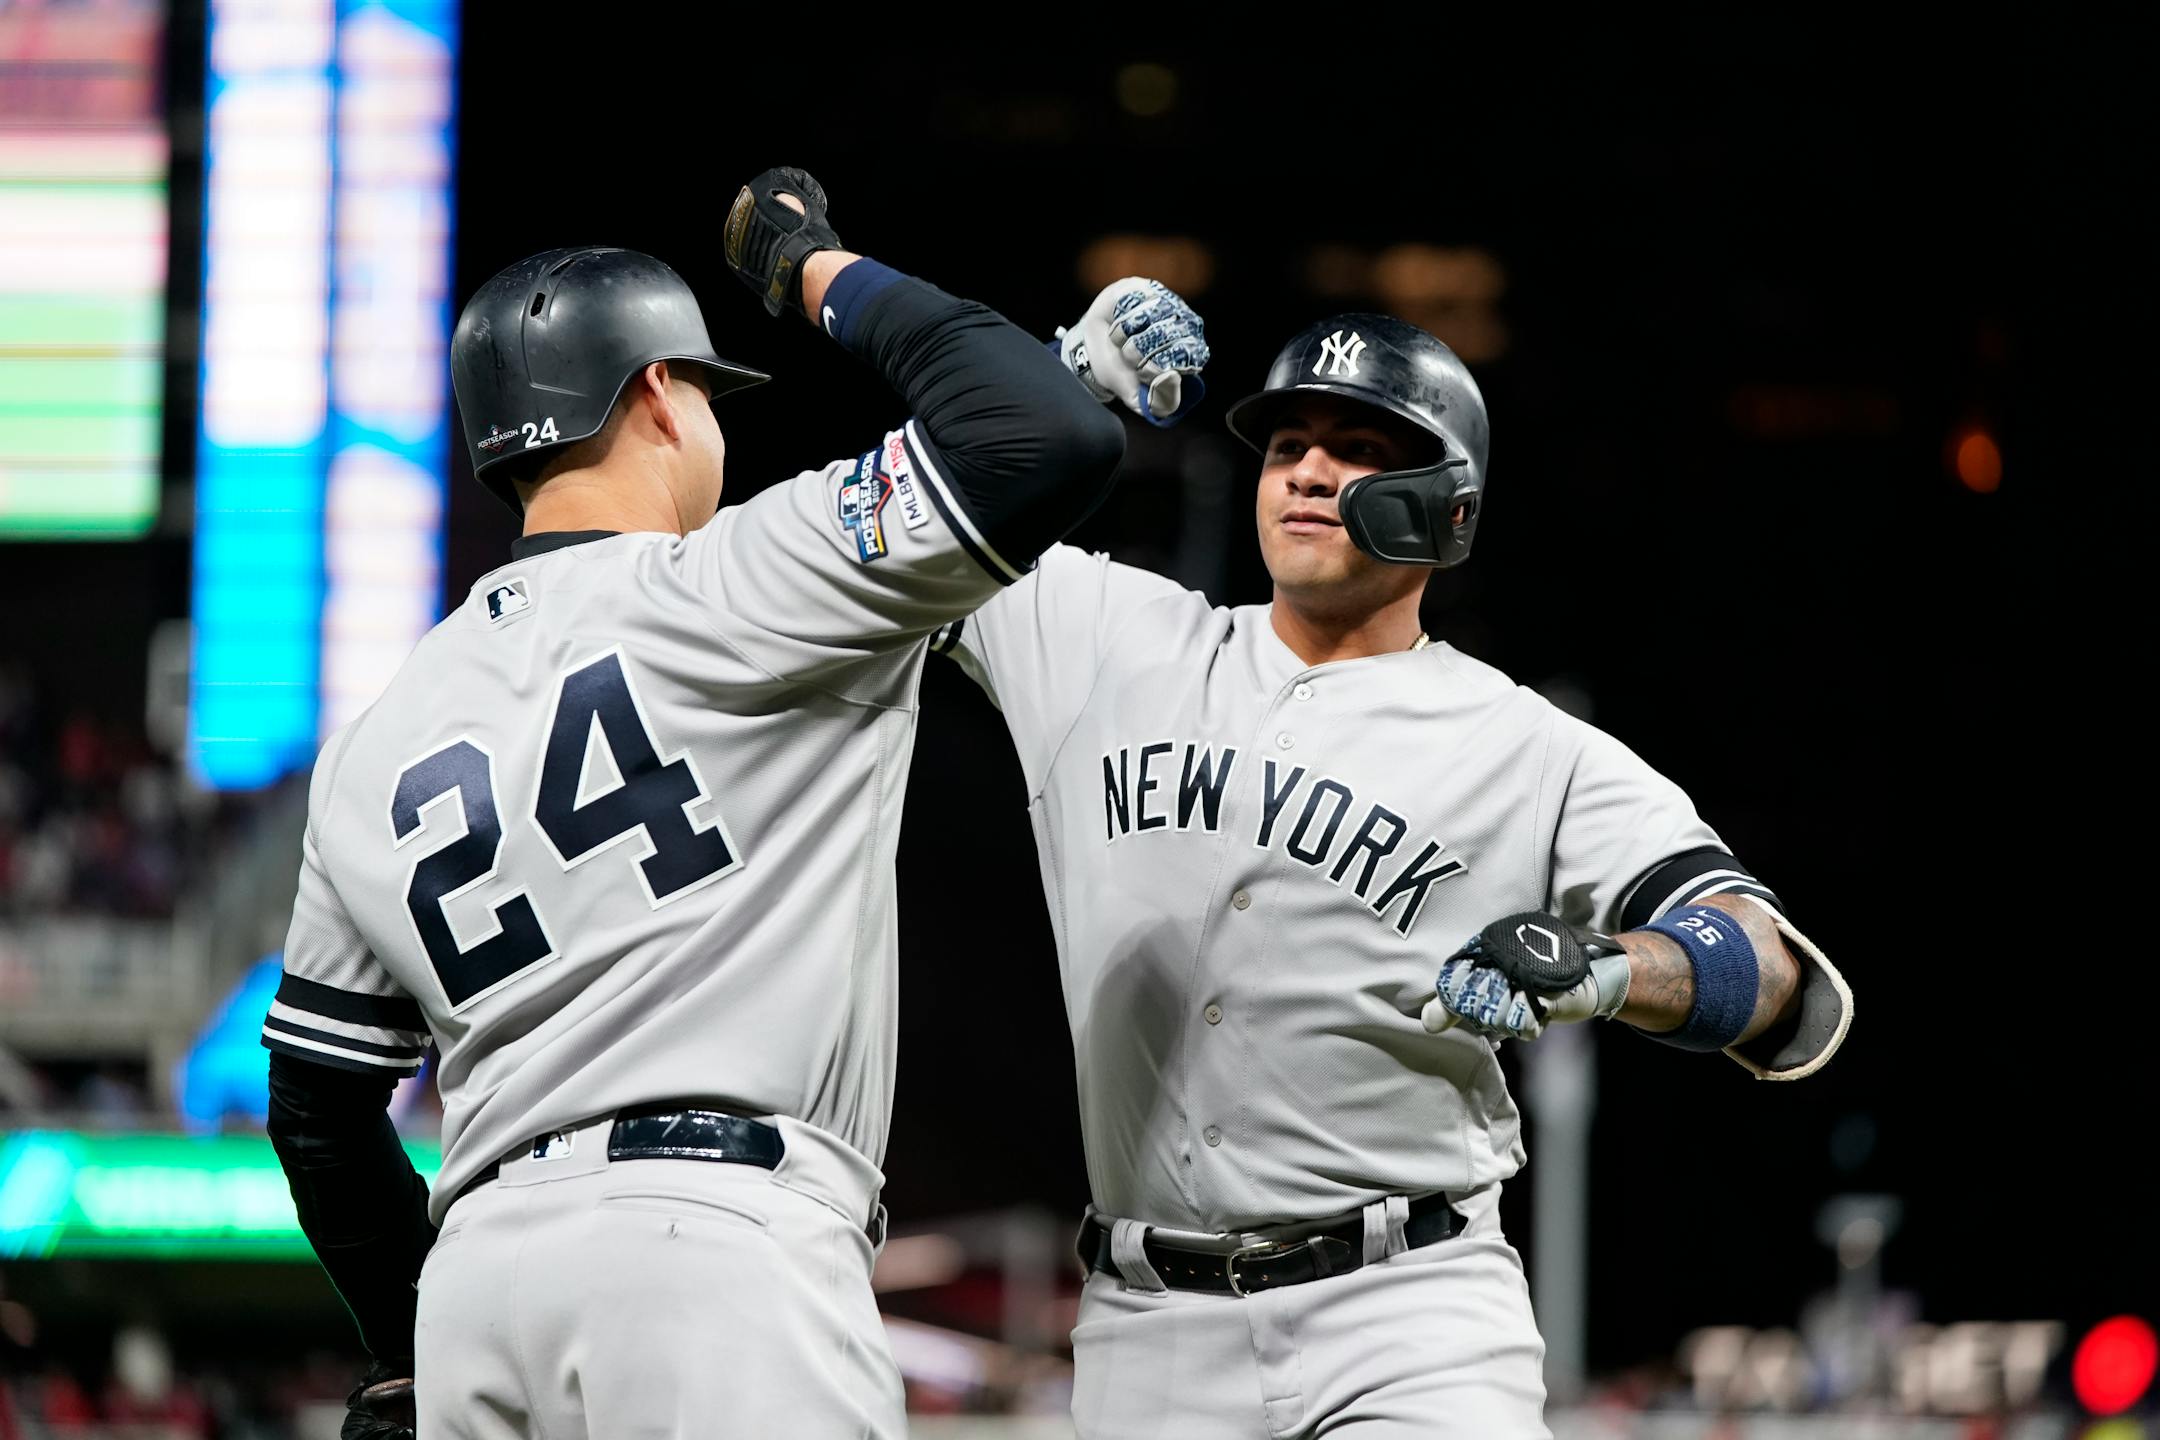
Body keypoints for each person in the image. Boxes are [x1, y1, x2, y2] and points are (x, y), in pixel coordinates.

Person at [258, 167, 1200, 1440]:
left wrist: (403, 1340)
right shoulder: (742, 580)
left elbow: (318, 1114)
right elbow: (1038, 439)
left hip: (481, 1286)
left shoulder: (378, 736)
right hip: (712, 1259)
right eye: (702, 391)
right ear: (656, 394)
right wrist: (809, 261)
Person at [929, 312, 1853, 1438]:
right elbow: (887, 523)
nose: (1310, 470)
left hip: (1404, 1318)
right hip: (1146, 1327)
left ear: (1449, 507)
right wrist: (1063, 374)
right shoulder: (1104, 636)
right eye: (1286, 444)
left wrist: (1606, 969)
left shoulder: (1524, 745)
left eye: (1361, 445)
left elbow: (1781, 985)